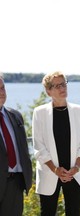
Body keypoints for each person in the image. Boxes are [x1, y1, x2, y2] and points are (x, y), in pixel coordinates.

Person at [32, 71, 80, 216]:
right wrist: (55, 170)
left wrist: (76, 167)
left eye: (64, 84)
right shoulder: (39, 113)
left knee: (74, 212)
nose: (62, 88)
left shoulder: (79, 110)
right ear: (48, 91)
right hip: (49, 171)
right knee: (47, 213)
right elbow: (39, 147)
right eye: (57, 86)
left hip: (73, 173)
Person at [0, 73, 32, 215]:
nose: (1, 92)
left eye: (2, 88)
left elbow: (23, 149)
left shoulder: (15, 116)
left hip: (16, 183)